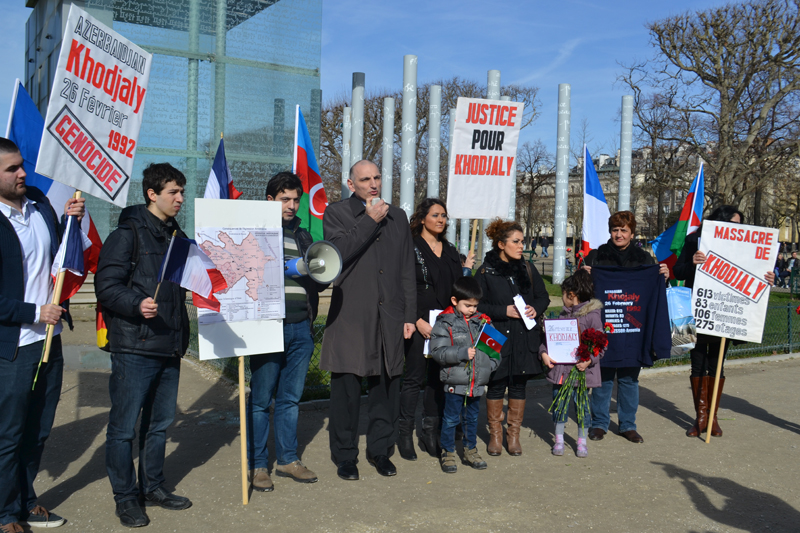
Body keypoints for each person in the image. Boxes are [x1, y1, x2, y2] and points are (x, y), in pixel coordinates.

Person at [95, 163, 192, 528]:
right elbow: (106, 287)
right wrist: (136, 304)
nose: (180, 198)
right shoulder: (127, 234)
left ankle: (153, 487)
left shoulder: (177, 235)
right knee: (123, 428)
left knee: (158, 425)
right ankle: (126, 497)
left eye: (181, 192)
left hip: (169, 345)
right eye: (173, 192)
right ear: (152, 194)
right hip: (135, 346)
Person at [0, 137, 85, 531]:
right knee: (10, 434)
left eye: (21, 165)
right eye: (11, 169)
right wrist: (35, 311)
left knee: (39, 430)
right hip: (13, 348)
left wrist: (70, 219)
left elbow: (56, 261)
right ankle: (5, 513)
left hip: (48, 341)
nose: (22, 173)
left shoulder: (37, 202)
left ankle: (25, 498)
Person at [320, 160, 416, 480]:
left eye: (377, 176)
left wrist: (410, 316)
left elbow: (406, 269)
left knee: (386, 388)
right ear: (351, 184)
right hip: (351, 316)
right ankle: (345, 455)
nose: (373, 184)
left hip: (389, 315)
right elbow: (336, 253)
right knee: (346, 390)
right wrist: (369, 221)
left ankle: (380, 450)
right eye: (365, 179)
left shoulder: (398, 216)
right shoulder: (336, 213)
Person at [246, 172, 324, 492]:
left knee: (290, 400)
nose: (291, 205)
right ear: (270, 201)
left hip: (299, 329)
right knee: (262, 400)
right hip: (267, 329)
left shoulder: (303, 237)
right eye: (284, 200)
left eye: (295, 199)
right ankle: (259, 465)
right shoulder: (255, 233)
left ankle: (288, 460)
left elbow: (320, 277)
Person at [673, 205, 775, 438]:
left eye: (739, 226)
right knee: (697, 363)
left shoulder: (746, 246)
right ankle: (700, 419)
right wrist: (693, 263)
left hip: (726, 313)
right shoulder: (694, 240)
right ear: (718, 222)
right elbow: (678, 271)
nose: (735, 230)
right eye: (731, 224)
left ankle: (713, 418)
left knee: (716, 364)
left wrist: (770, 277)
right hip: (695, 310)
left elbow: (758, 271)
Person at [582, 211, 669, 444]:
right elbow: (579, 291)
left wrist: (663, 276)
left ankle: (628, 425)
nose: (618, 234)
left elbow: (654, 291)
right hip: (603, 327)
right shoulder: (596, 256)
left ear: (632, 233)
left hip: (633, 331)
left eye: (623, 230)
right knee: (603, 377)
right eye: (615, 230)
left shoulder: (643, 259)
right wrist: (583, 275)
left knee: (630, 379)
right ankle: (599, 423)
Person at [474, 219, 550, 456]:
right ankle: (495, 435)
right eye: (516, 242)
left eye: (522, 241)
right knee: (495, 385)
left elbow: (543, 296)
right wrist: (502, 311)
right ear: (500, 244)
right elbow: (476, 306)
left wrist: (535, 308)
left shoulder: (527, 268)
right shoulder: (485, 272)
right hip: (495, 337)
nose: (521, 246)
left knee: (519, 385)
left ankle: (513, 435)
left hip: (524, 337)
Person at [398, 199, 464, 461]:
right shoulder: (410, 247)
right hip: (418, 325)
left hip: (445, 326)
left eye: (444, 216)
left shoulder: (449, 249)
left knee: (438, 379)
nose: (441, 220)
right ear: (422, 217)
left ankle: (429, 432)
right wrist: (415, 319)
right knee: (414, 378)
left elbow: (457, 288)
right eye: (435, 215)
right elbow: (401, 287)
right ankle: (404, 434)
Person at [429, 276, 498, 473]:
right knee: (451, 419)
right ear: (454, 301)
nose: (472, 310)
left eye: (475, 306)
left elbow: (495, 350)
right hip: (455, 382)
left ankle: (470, 450)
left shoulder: (483, 322)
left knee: (472, 419)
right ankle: (448, 452)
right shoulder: (445, 322)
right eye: (468, 305)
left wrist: (489, 366)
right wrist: (461, 353)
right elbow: (438, 352)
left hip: (476, 383)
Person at [540, 270, 604, 458]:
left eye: (563, 294)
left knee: (582, 406)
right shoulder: (562, 315)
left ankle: (581, 441)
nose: (562, 299)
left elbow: (601, 345)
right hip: (561, 372)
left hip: (581, 373)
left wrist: (589, 360)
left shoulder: (593, 316)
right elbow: (548, 342)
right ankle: (559, 439)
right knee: (559, 405)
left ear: (572, 295)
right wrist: (544, 353)